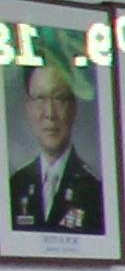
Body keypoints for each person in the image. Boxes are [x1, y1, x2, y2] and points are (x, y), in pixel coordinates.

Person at [8, 54, 99, 235]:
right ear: (28, 106)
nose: (49, 113)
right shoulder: (15, 186)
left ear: (73, 107)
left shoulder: (95, 189)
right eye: (40, 98)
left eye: (59, 98)